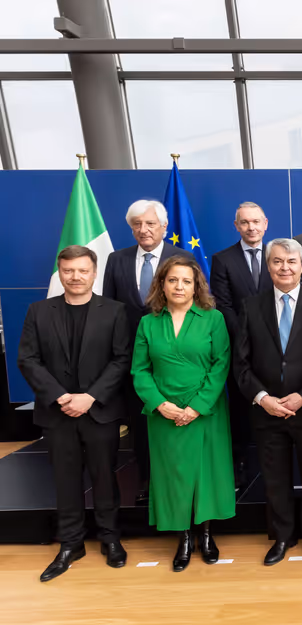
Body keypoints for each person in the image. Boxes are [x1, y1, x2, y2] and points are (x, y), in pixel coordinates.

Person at [18, 246, 131, 582]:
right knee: (66, 481)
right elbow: (28, 359)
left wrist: (90, 397)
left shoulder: (115, 311)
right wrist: (62, 397)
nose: (76, 277)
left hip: (99, 412)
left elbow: (121, 360)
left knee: (104, 478)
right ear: (60, 272)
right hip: (58, 413)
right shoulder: (38, 311)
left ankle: (110, 538)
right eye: (69, 271)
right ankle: (71, 544)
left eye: (83, 270)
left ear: (94, 273)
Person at [132, 255, 234, 571]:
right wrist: (160, 404)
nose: (179, 286)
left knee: (205, 474)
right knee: (172, 475)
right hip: (163, 413)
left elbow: (221, 364)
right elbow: (140, 370)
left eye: (186, 281)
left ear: (196, 286)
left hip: (204, 411)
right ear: (161, 284)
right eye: (173, 280)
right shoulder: (148, 322)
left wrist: (197, 407)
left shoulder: (212, 318)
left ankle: (205, 534)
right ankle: (184, 537)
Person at [233, 239, 302, 566]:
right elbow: (241, 364)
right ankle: (283, 536)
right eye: (277, 261)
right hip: (267, 410)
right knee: (274, 480)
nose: (284, 267)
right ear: (268, 265)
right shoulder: (250, 306)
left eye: (291, 261)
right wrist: (263, 398)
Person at [103, 200, 193, 504]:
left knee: (178, 421)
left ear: (164, 227)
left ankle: (181, 481)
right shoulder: (117, 259)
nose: (143, 230)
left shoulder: (182, 257)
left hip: (175, 355)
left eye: (150, 223)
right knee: (142, 423)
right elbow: (111, 310)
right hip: (133, 359)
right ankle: (147, 480)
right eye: (137, 224)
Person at [210, 202, 274, 493]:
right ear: (236, 226)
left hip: (279, 349)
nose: (251, 227)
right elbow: (223, 305)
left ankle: (271, 465)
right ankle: (239, 467)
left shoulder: (280, 256)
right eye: (245, 222)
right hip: (241, 348)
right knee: (240, 411)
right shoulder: (223, 259)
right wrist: (247, 339)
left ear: (265, 224)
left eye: (256, 221)